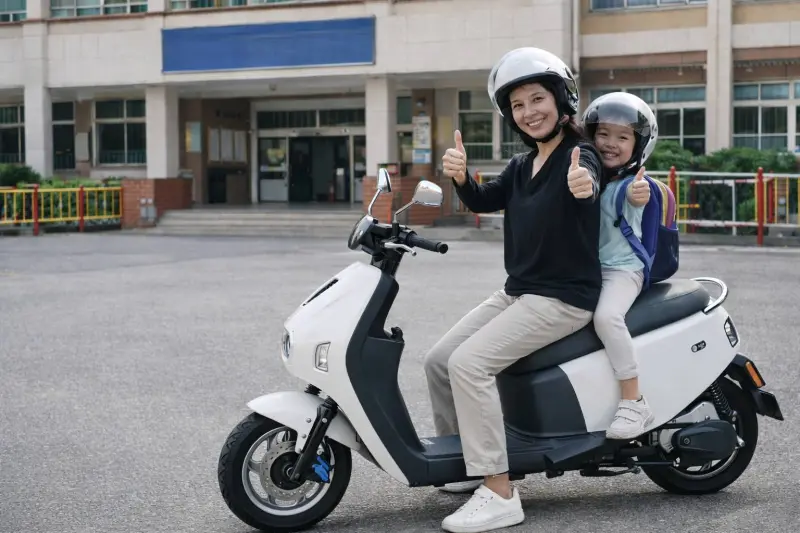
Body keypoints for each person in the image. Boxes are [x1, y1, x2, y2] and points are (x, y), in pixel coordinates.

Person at [424, 47, 603, 533]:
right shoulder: (525, 165)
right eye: (518, 105)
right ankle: (467, 460)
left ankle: (500, 491)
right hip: (521, 291)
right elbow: (484, 199)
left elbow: (588, 185)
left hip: (564, 297)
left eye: (537, 98)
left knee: (470, 364)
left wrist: (586, 185)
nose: (529, 111)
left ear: (561, 99)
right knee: (440, 360)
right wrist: (461, 177)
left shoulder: (579, 155)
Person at [581, 91, 659, 440]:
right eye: (603, 134)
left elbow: (636, 197)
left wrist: (637, 196)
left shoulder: (629, 184)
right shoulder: (592, 178)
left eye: (623, 137)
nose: (611, 143)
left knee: (606, 318)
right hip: (591, 270)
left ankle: (634, 400)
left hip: (623, 270)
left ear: (638, 145)